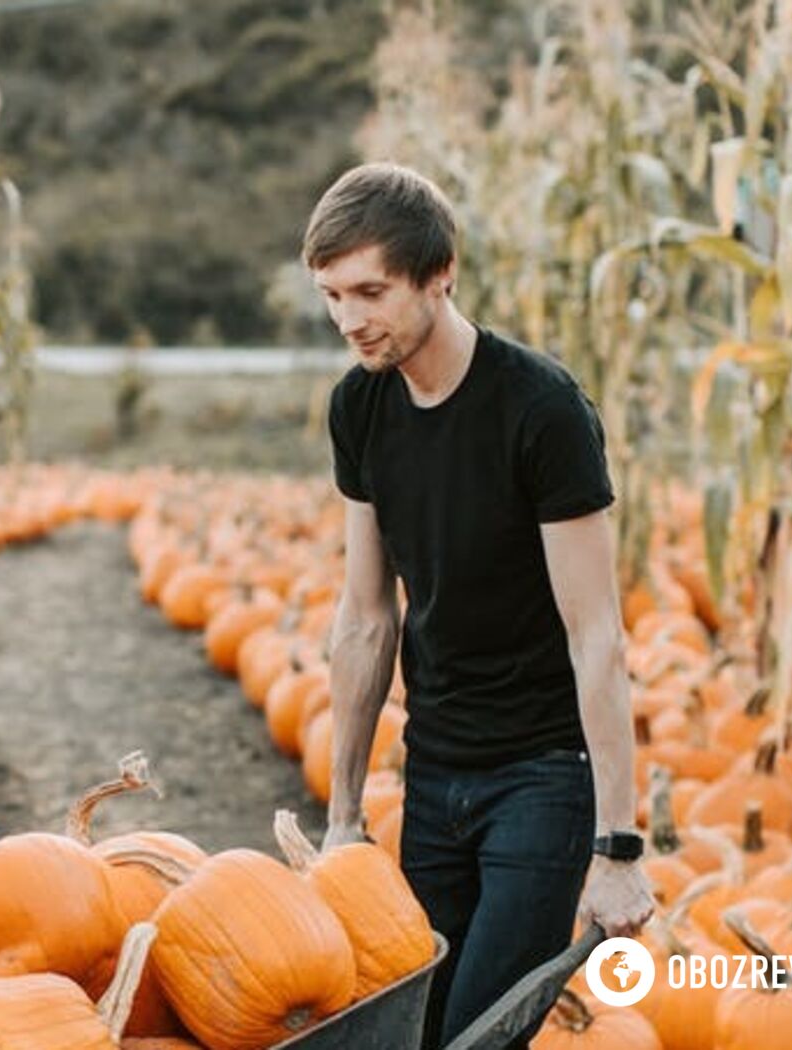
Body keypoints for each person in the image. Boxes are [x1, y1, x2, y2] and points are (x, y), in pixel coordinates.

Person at [307, 162, 655, 1048]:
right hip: (434, 777)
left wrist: (618, 849)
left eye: (371, 291)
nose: (350, 319)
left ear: (440, 271)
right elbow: (366, 618)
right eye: (333, 295)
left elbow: (597, 636)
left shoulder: (540, 409)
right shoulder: (360, 408)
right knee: (418, 1030)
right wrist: (345, 818)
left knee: (476, 1038)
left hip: (540, 777)